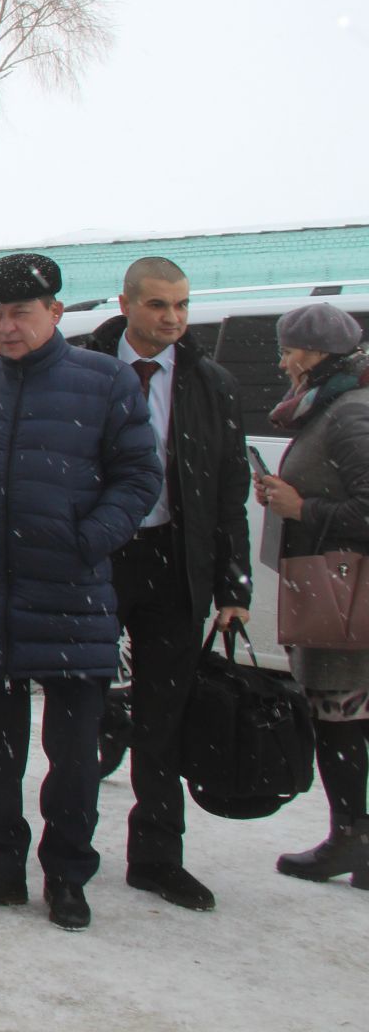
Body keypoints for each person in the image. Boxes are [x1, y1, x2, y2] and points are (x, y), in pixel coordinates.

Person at [0, 252, 162, 933]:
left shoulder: (106, 382)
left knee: (73, 752)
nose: (6, 327)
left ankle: (67, 874)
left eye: (20, 313)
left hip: (70, 596)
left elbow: (139, 476)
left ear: (55, 312)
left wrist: (87, 539)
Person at [68, 257, 250, 911]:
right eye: (157, 305)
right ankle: (68, 857)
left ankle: (156, 856)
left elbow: (230, 485)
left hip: (174, 561)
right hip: (97, 558)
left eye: (180, 305)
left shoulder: (208, 383)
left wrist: (234, 584)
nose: (172, 318)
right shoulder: (81, 369)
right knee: (78, 709)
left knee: (164, 717)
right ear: (126, 303)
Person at [254, 302, 369, 888]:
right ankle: (356, 839)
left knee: (341, 717)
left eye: (291, 349)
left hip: (347, 590)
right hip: (334, 583)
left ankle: (352, 838)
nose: (283, 361)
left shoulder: (348, 413)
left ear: (317, 355)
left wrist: (303, 508)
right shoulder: (328, 407)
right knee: (343, 715)